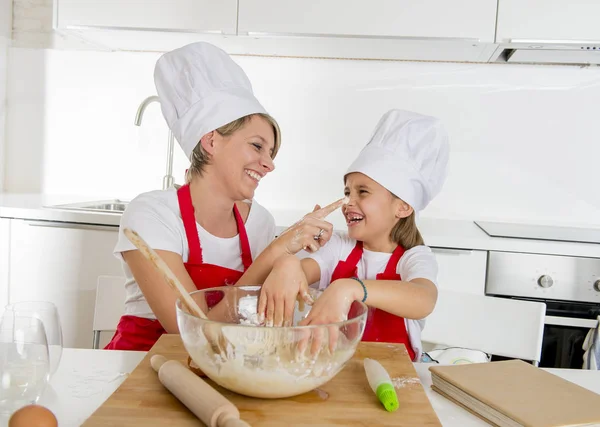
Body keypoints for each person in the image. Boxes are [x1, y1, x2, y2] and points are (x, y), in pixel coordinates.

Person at [105, 42, 341, 351]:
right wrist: (275, 252)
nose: (269, 163)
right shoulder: (151, 215)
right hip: (139, 374)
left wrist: (290, 261)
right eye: (257, 146)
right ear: (212, 141)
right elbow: (192, 336)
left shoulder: (260, 221)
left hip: (223, 371)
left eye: (271, 152)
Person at [258, 109, 450, 361]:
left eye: (363, 192)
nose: (349, 203)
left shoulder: (414, 258)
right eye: (348, 192)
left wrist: (349, 288)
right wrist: (287, 263)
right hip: (333, 372)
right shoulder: (339, 247)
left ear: (402, 206)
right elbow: (301, 274)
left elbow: (423, 299)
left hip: (394, 375)